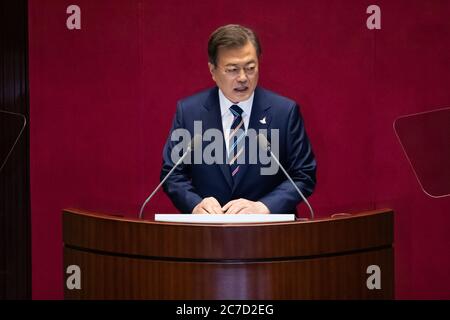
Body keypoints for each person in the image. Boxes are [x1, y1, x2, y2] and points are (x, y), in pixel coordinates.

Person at [161, 24, 316, 215]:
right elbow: (172, 175)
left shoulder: (284, 112)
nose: (243, 78)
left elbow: (304, 175)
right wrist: (195, 204)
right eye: (232, 69)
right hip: (206, 234)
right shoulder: (189, 113)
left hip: (272, 235)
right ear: (213, 71)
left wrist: (264, 207)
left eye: (250, 68)